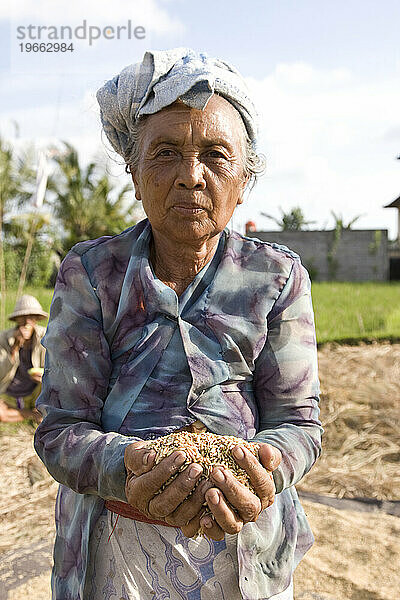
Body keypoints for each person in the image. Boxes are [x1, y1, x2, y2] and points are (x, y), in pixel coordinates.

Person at [34, 48, 322, 600]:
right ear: (136, 176)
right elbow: (60, 428)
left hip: (243, 545)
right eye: (165, 154)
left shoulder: (276, 277)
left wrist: (265, 466)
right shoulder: (92, 275)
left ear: (243, 181)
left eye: (216, 155)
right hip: (116, 547)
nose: (191, 176)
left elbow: (299, 422)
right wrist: (131, 465)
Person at [0, 294, 47, 422]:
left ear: (37, 318)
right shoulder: (4, 338)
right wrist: (14, 348)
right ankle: (32, 415)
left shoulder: (45, 337)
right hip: (10, 392)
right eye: (23, 317)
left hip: (35, 391)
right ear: (16, 319)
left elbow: (53, 367)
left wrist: (44, 377)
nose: (27, 322)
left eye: (31, 317)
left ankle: (25, 412)